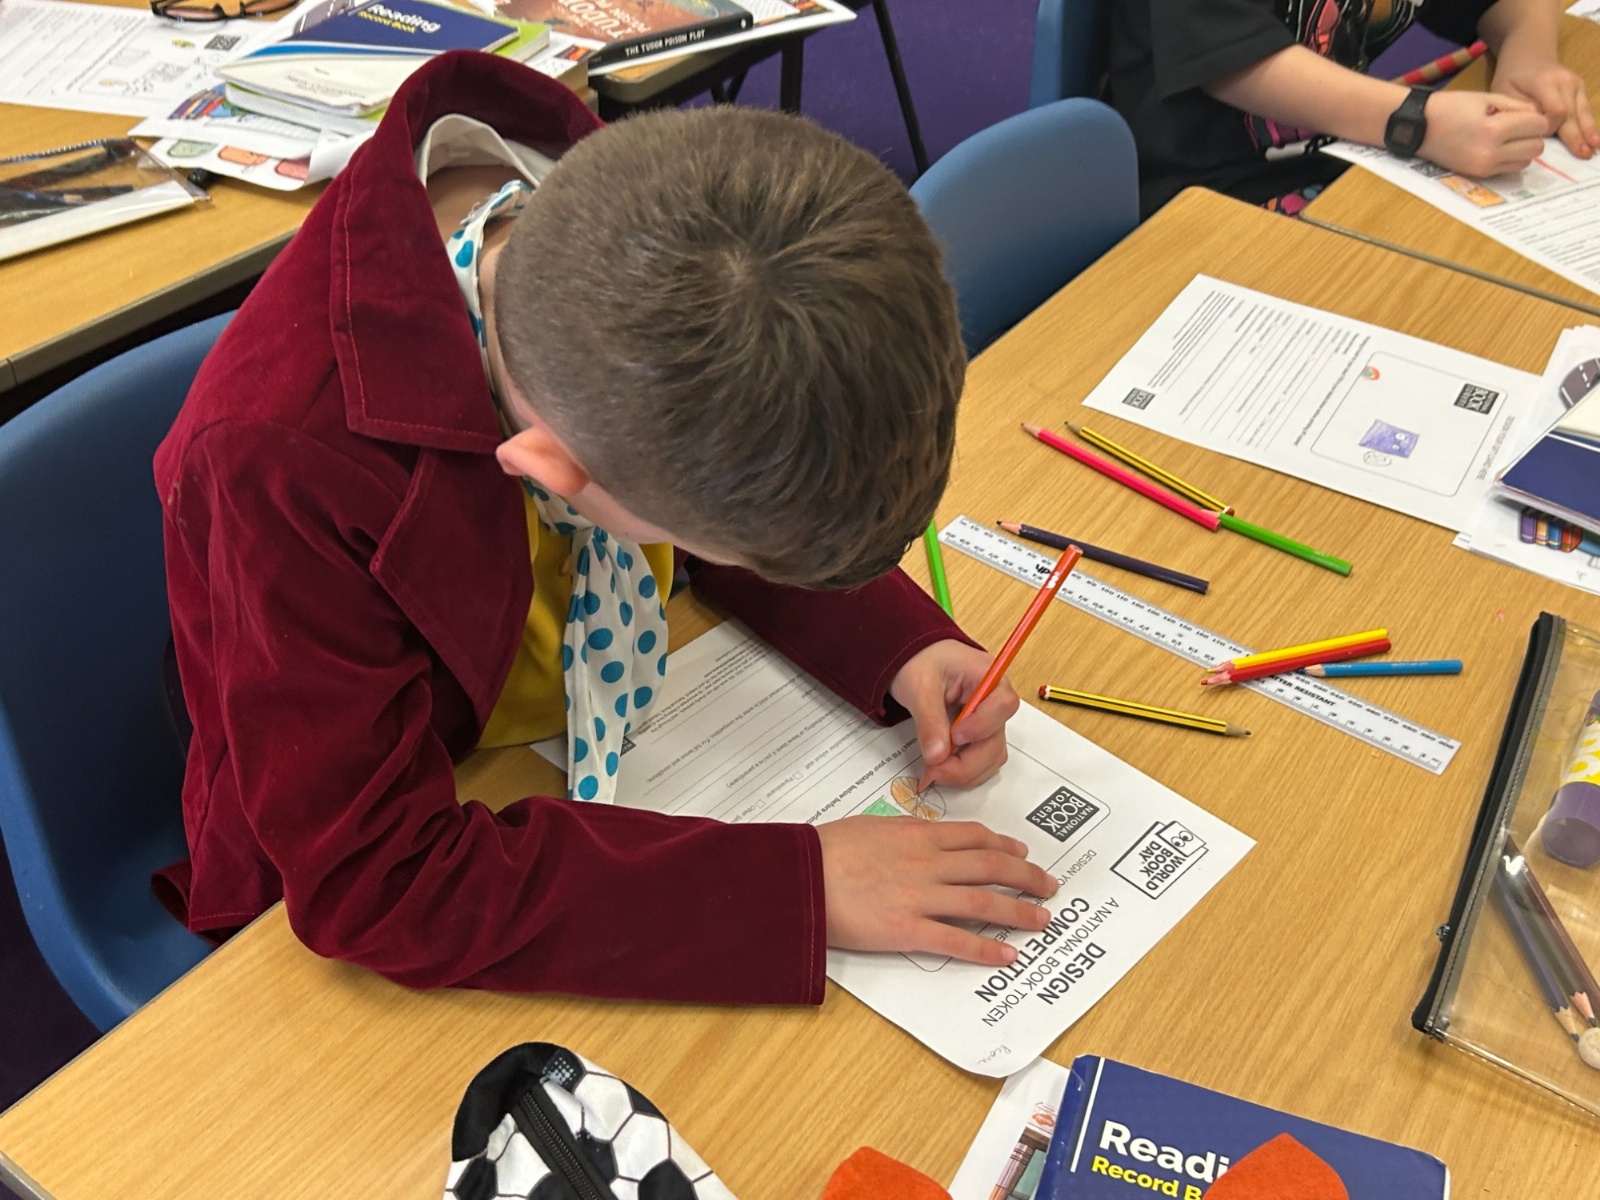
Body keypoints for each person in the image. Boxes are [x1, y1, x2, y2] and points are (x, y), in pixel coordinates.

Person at [153, 51, 1058, 1005]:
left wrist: (900, 645)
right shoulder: (284, 465)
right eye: (710, 545)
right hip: (384, 800)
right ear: (550, 471)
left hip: (558, 711)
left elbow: (726, 457)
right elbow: (378, 882)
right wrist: (795, 888)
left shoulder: (645, 220)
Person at [1106, 0, 1600, 217]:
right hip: (1210, 196)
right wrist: (1417, 122)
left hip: (1348, 160)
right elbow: (1230, 60)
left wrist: (1529, 52)